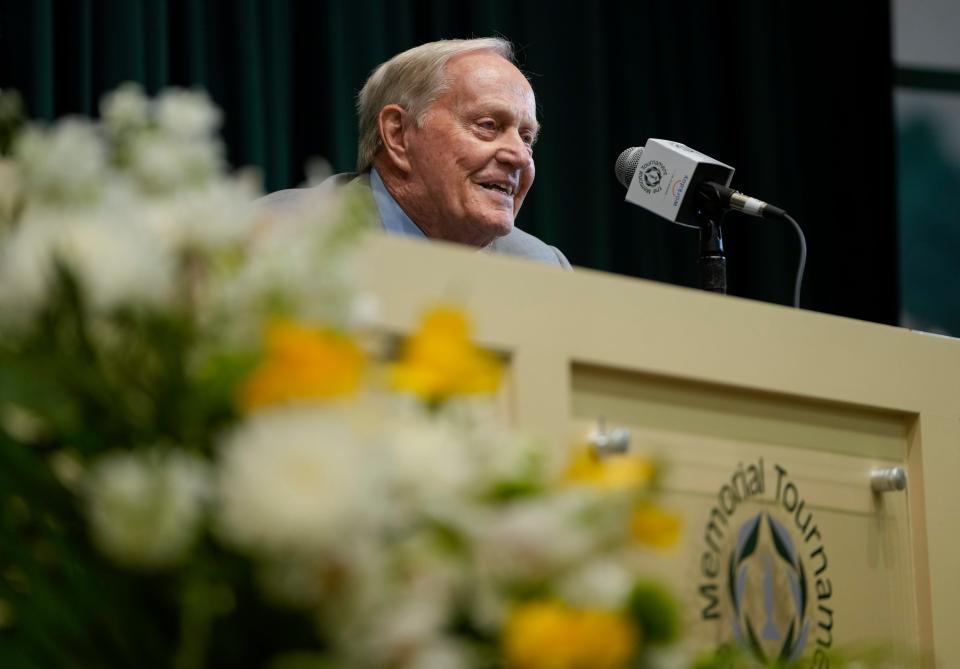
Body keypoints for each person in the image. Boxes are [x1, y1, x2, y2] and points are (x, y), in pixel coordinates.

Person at [261, 38, 570, 269]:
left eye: (527, 137)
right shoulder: (281, 235)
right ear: (398, 134)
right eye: (488, 125)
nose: (520, 157)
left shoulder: (541, 267)